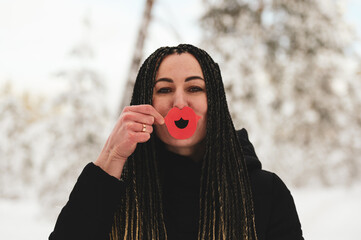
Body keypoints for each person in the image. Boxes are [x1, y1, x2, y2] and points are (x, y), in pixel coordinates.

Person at [49, 44, 304, 240]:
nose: (180, 103)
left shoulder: (265, 192)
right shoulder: (114, 189)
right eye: (164, 90)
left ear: (215, 103)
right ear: (145, 102)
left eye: (194, 88)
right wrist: (111, 158)